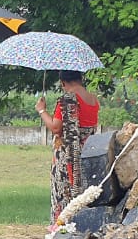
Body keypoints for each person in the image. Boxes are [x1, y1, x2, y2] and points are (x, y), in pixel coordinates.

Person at [36, 70, 101, 221]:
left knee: (64, 196)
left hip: (67, 158)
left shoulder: (68, 99)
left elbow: (56, 128)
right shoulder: (92, 99)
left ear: (63, 82)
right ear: (80, 78)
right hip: (86, 155)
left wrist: (41, 110)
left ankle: (61, 228)